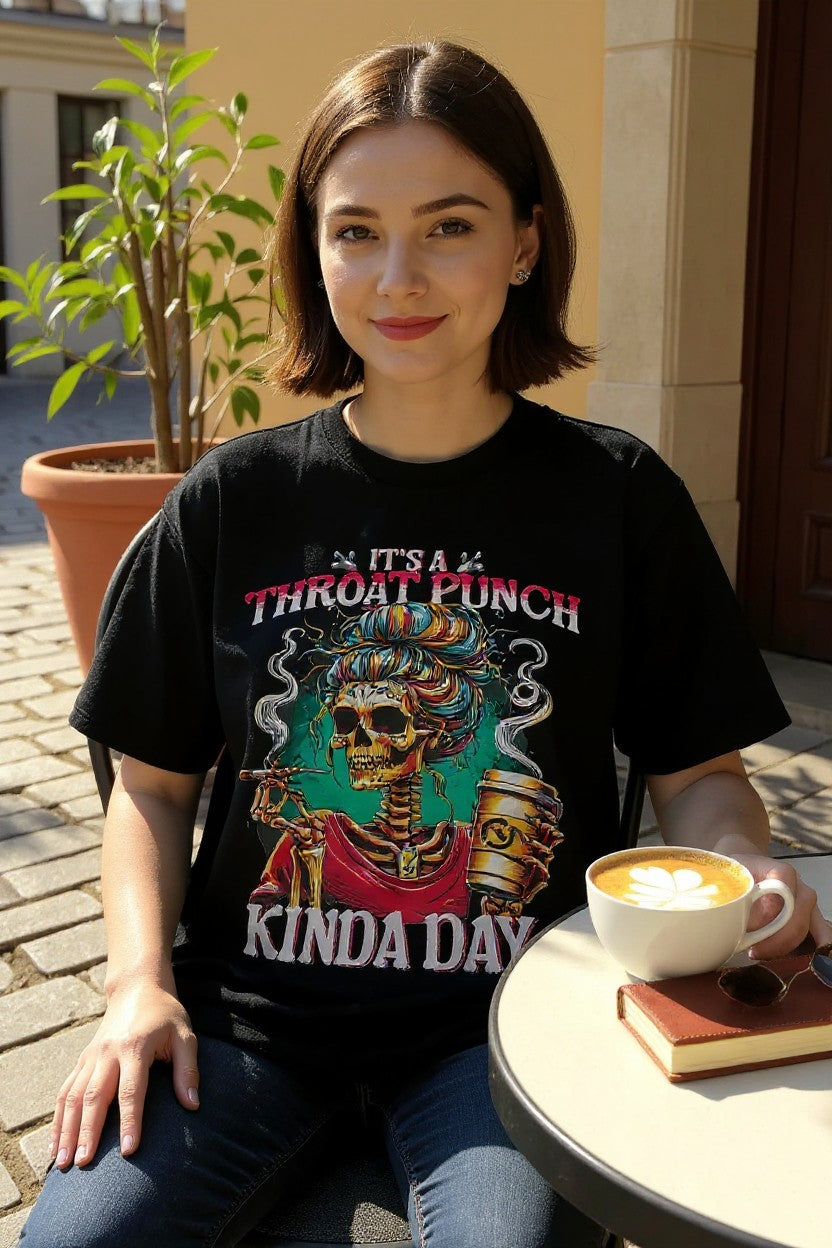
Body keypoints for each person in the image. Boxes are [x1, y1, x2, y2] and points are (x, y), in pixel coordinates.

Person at [19, 38, 831, 1248]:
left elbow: (700, 777)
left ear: (524, 241)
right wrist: (137, 983)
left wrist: (741, 873)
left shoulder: (614, 497)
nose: (397, 276)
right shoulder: (236, 499)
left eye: (449, 225)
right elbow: (148, 786)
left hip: (511, 1025)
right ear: (315, 248)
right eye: (355, 231)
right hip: (246, 1024)